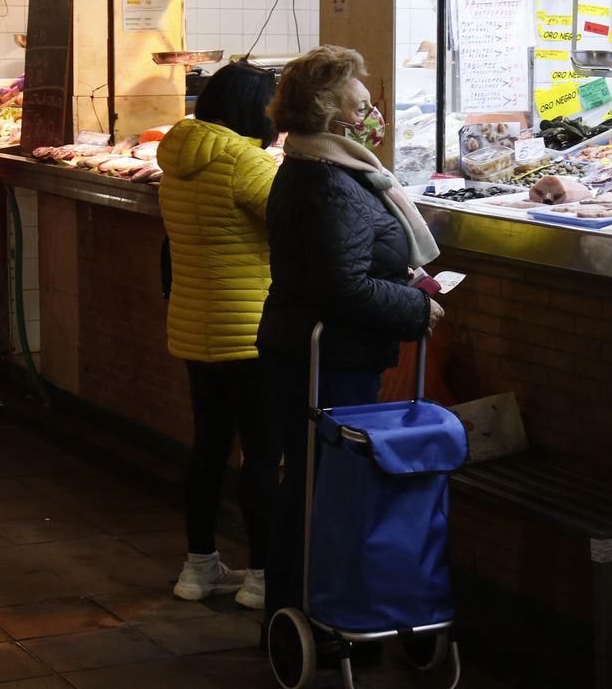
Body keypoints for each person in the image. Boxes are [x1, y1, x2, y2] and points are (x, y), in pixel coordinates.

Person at [256, 45, 445, 623]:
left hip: (316, 351)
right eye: (362, 104)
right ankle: (308, 611)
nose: (373, 114)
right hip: (324, 358)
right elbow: (342, 288)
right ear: (331, 114)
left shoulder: (330, 169)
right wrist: (416, 306)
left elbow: (346, 262)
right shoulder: (329, 183)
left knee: (312, 480)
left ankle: (304, 607)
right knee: (318, 486)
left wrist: (405, 274)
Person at [157, 62, 282, 611]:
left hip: (194, 324)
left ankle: (199, 567)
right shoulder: (243, 159)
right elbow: (293, 219)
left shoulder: (178, 156)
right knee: (261, 455)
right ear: (255, 109)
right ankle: (261, 577)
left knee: (208, 447)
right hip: (249, 329)